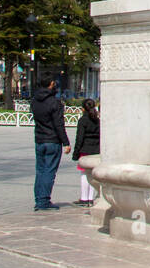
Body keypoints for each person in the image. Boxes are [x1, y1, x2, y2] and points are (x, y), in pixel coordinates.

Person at [30, 78, 70, 210]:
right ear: (51, 84)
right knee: (49, 171)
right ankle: (44, 201)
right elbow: (59, 124)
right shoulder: (54, 102)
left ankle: (39, 199)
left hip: (40, 139)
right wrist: (66, 142)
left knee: (40, 171)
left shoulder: (35, 101)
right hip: (52, 140)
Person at [72, 98, 100, 206]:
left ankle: (84, 198)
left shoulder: (83, 120)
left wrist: (76, 152)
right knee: (92, 174)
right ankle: (90, 198)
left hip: (85, 149)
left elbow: (79, 137)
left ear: (83, 109)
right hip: (95, 149)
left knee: (84, 173)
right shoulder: (97, 120)